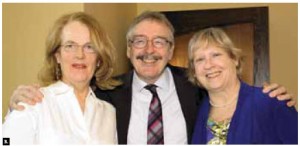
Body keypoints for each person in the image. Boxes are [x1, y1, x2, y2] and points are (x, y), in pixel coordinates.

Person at [8, 11, 296, 144]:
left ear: (171, 50)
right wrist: (15, 109)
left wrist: (270, 95)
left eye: (159, 42)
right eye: (139, 41)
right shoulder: (109, 93)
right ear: (127, 50)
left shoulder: (197, 86)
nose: (148, 50)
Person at [3, 12, 119, 144]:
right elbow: (6, 141)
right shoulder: (34, 101)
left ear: (99, 59)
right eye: (70, 46)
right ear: (57, 55)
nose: (80, 55)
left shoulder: (109, 113)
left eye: (89, 47)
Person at [188, 28, 297, 144]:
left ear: (234, 59)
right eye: (200, 59)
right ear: (194, 71)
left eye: (216, 55)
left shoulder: (270, 102)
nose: (208, 65)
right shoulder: (194, 111)